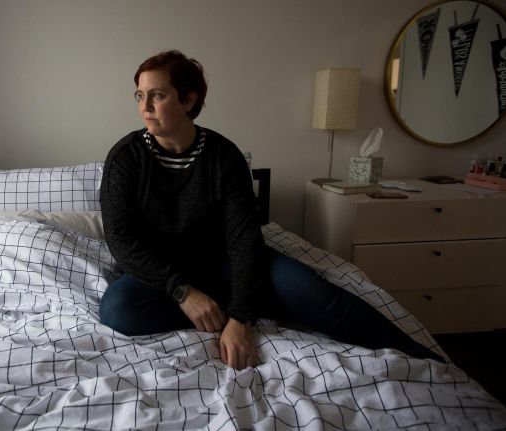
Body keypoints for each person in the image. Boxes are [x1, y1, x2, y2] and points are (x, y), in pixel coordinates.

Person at [98, 50, 441, 370]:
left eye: (157, 95)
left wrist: (240, 319)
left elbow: (244, 238)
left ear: (188, 100)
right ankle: (234, 304)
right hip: (163, 275)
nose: (145, 107)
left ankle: (421, 357)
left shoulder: (224, 157)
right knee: (118, 310)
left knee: (313, 291)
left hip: (224, 267)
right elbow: (121, 239)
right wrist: (183, 291)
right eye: (140, 95)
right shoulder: (125, 158)